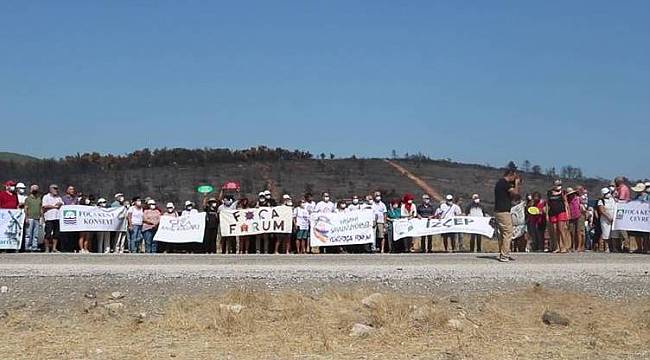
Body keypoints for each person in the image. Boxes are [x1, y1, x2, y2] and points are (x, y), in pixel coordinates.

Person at [494, 169, 521, 262]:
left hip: (499, 210)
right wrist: (516, 183)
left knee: (503, 233)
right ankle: (504, 255)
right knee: (508, 232)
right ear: (511, 175)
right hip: (503, 211)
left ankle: (503, 252)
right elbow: (516, 193)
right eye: (514, 176)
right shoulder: (504, 183)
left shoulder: (500, 183)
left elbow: (513, 197)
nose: (514, 178)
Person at [546, 180, 570, 253]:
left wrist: (568, 213)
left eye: (559, 184)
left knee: (561, 229)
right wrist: (547, 214)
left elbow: (566, 203)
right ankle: (558, 247)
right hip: (552, 212)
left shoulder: (563, 192)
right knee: (555, 230)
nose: (558, 185)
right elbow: (547, 204)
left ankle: (564, 246)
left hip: (561, 212)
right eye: (556, 184)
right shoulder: (549, 193)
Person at [41, 184, 63, 252]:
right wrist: (54, 206)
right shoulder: (46, 197)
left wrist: (60, 204)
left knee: (56, 234)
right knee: (48, 234)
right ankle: (47, 248)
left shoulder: (59, 197)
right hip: (49, 218)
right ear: (50, 189)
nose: (56, 190)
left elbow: (62, 203)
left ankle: (54, 248)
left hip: (57, 218)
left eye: (56, 189)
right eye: (54, 188)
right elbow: (44, 206)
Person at [613, 177, 631, 252]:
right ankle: (619, 247)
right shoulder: (619, 188)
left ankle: (626, 247)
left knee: (623, 229)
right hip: (621, 210)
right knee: (618, 228)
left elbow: (622, 199)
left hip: (622, 210)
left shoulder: (623, 188)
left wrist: (614, 198)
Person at [629, 182, 648, 253]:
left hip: (645, 218)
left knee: (645, 234)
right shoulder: (636, 197)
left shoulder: (648, 196)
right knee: (637, 233)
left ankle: (645, 248)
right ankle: (639, 247)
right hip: (638, 218)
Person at [23, 185, 42, 252]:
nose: (35, 190)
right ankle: (27, 247)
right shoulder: (28, 199)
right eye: (34, 189)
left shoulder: (39, 198)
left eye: (36, 189)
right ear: (31, 190)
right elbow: (25, 209)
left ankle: (34, 247)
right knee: (28, 234)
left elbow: (40, 208)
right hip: (30, 218)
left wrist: (41, 217)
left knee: (36, 234)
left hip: (37, 218)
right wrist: (26, 217)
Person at [597, 187, 616, 252]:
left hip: (613, 219)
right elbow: (601, 211)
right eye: (606, 193)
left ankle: (613, 247)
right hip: (605, 219)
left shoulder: (612, 199)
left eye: (608, 192)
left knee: (612, 233)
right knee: (606, 233)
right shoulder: (601, 201)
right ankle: (606, 248)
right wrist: (608, 217)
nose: (608, 194)